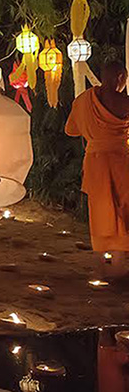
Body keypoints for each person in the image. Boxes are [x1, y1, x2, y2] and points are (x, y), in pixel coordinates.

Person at [65, 61, 129, 277]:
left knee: (100, 209)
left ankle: (101, 264)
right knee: (122, 208)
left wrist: (94, 132)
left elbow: (71, 130)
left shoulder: (83, 101)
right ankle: (119, 265)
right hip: (120, 160)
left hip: (95, 161)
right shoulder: (125, 102)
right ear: (120, 77)